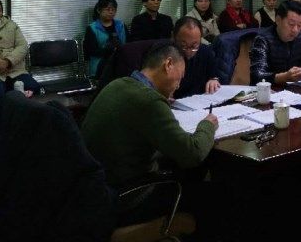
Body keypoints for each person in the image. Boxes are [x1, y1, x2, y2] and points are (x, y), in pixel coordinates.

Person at [81, 41, 218, 221]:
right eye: (180, 77)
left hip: (96, 192)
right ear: (168, 64)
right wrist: (207, 124)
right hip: (128, 197)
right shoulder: (149, 101)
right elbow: (192, 153)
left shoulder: (117, 85)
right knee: (212, 194)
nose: (178, 85)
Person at [249, 1, 301, 84]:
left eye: (299, 25)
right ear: (278, 20)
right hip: (270, 89)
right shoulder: (263, 39)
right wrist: (284, 77)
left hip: (296, 87)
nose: (295, 30)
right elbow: (256, 76)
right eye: (291, 24)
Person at [172, 16, 221, 97]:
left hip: (200, 100)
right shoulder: (165, 55)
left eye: (194, 46)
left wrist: (213, 80)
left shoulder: (206, 52)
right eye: (183, 46)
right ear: (174, 38)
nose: (188, 51)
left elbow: (213, 75)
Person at [84, 0, 127, 77]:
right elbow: (91, 51)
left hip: (120, 61)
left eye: (113, 10)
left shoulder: (121, 25)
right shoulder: (92, 28)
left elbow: (128, 44)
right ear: (99, 10)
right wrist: (109, 49)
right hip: (99, 64)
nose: (111, 12)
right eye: (107, 9)